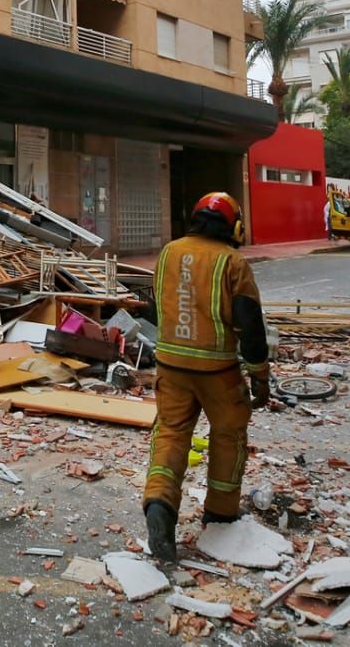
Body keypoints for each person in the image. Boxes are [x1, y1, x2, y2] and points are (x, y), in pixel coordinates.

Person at [141, 192, 271, 565]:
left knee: (170, 432)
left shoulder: (167, 253)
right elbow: (251, 326)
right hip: (219, 372)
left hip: (171, 367)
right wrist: (259, 376)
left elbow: (154, 306)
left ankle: (160, 504)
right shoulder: (233, 262)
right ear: (233, 225)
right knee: (228, 435)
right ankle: (220, 512)